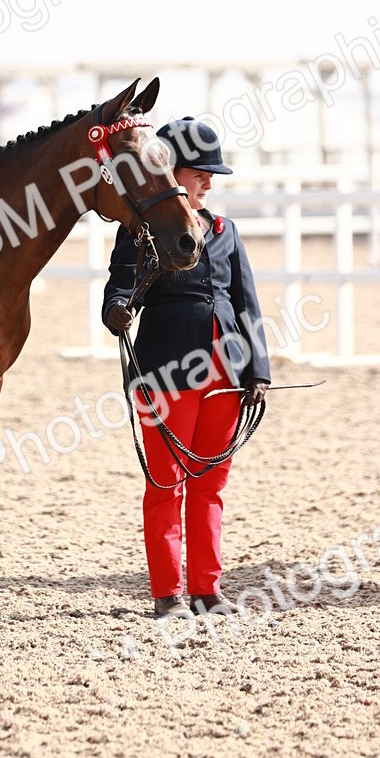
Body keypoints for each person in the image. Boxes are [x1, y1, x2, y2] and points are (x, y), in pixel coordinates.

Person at [102, 116, 270, 620]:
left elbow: (248, 305)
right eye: (201, 173)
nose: (209, 182)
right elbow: (118, 288)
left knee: (211, 484)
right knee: (166, 483)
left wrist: (257, 370)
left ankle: (207, 589)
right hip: (167, 370)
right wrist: (117, 310)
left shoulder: (225, 231)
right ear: (172, 171)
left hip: (226, 372)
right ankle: (167, 593)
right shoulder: (143, 231)